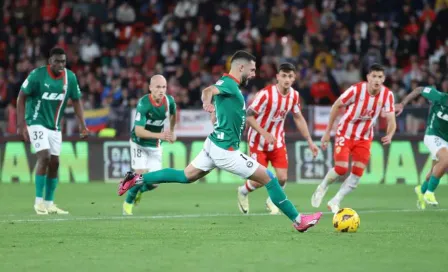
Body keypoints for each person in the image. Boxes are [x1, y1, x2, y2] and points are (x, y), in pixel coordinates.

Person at [118, 50, 322, 232]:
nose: (253, 74)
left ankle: (136, 179)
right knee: (269, 178)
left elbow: (217, 105)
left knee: (185, 176)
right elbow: (208, 91)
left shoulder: (228, 85)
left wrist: (214, 111)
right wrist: (207, 102)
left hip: (213, 143)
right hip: (225, 150)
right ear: (240, 67)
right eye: (251, 70)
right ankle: (298, 220)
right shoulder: (229, 84)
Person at [311, 63, 396, 213]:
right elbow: (336, 106)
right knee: (341, 168)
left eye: (380, 77)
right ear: (368, 77)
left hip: (364, 137)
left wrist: (390, 134)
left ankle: (335, 201)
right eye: (374, 76)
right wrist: (327, 132)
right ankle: (322, 187)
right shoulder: (356, 90)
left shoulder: (387, 95)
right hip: (345, 132)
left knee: (357, 175)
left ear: (384, 79)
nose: (377, 80)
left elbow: (391, 120)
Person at [237, 62, 319, 215]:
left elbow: (298, 117)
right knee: (258, 180)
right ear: (277, 77)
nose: (287, 79)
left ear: (294, 78)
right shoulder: (266, 95)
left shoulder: (294, 96)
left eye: (290, 76)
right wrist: (264, 133)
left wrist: (310, 141)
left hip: (277, 141)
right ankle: (242, 191)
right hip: (258, 141)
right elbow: (248, 116)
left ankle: (271, 200)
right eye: (284, 76)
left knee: (282, 178)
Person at [17, 47, 88, 215]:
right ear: (50, 62)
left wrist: (82, 124)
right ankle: (38, 203)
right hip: (36, 121)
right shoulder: (37, 75)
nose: (61, 64)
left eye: (63, 61)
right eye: (57, 61)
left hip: (55, 126)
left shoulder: (70, 78)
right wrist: (21, 124)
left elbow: (76, 101)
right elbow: (21, 97)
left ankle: (49, 203)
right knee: (44, 157)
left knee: (55, 164)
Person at [122, 75, 177, 215]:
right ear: (150, 88)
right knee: (139, 174)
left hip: (154, 146)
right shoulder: (144, 103)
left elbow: (173, 115)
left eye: (164, 87)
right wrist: (161, 135)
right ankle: (128, 203)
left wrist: (171, 131)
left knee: (155, 183)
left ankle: (139, 191)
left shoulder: (169, 102)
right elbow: (139, 131)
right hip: (139, 143)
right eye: (158, 87)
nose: (161, 90)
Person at [395, 85, 448, 208]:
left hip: (445, 140)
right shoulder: (439, 97)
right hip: (432, 134)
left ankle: (421, 190)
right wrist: (403, 103)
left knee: (437, 170)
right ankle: (429, 193)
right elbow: (419, 90)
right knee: (445, 160)